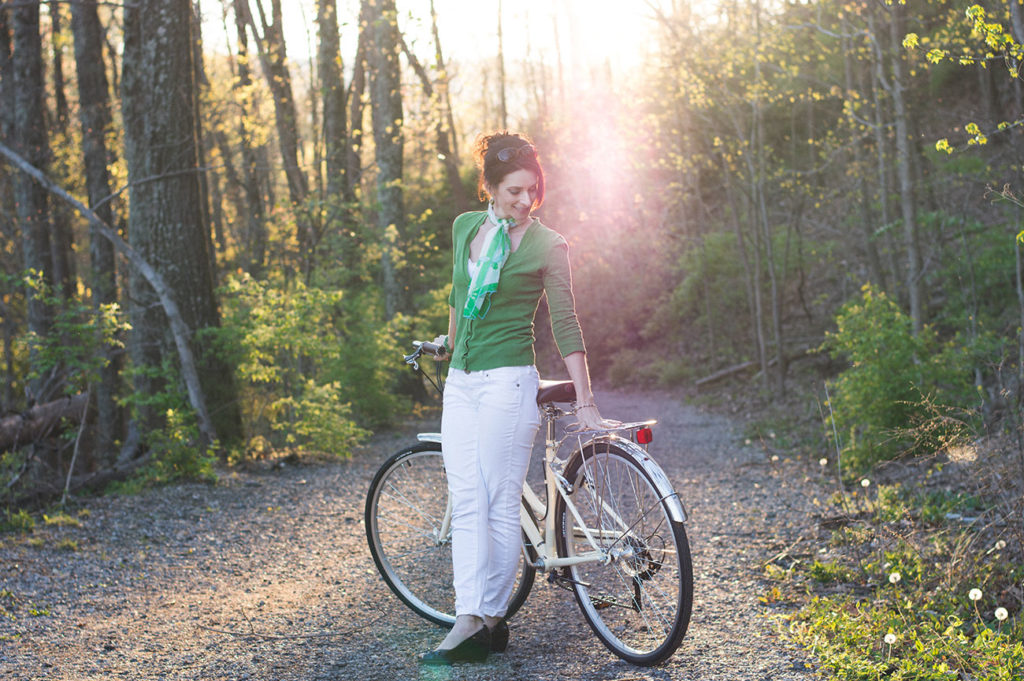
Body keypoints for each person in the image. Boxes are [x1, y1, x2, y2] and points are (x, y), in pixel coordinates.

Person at [420, 131, 615, 665]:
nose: (523, 201)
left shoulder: (547, 245)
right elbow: (459, 297)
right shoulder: (465, 228)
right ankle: (478, 619)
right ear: (489, 187)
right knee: (466, 500)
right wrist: (449, 344)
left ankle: (479, 620)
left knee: (496, 499)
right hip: (462, 382)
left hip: (509, 380)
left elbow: (566, 323)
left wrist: (586, 398)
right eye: (512, 191)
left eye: (531, 190)